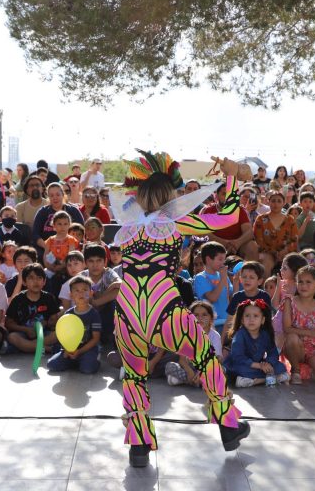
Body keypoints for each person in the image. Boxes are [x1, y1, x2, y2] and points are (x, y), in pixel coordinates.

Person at [113, 151, 249, 467]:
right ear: (169, 196)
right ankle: (228, 425)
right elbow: (228, 217)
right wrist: (230, 178)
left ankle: (139, 447)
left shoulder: (127, 228)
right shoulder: (173, 223)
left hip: (127, 311)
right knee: (205, 358)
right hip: (164, 308)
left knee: (134, 376)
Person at [281, 265, 315, 385]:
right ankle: (296, 370)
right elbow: (287, 328)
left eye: (308, 282)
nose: (303, 285)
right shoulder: (289, 301)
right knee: (292, 337)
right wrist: (311, 333)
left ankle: (309, 367)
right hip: (293, 345)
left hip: (314, 347)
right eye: (300, 282)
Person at [224, 299, 289, 387]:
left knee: (280, 367)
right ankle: (270, 379)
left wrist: (268, 363)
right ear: (242, 320)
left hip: (259, 365)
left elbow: (273, 353)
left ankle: (253, 381)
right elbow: (238, 357)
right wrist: (258, 366)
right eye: (247, 316)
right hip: (242, 364)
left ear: (262, 320)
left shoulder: (265, 334)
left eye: (255, 316)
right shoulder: (240, 335)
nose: (251, 319)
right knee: (240, 369)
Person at [47, 275, 102, 373]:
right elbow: (63, 335)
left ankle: (92, 360)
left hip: (87, 350)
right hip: (69, 349)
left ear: (91, 293)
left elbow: (95, 339)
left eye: (85, 290)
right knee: (52, 365)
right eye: (76, 290)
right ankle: (75, 361)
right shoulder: (68, 314)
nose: (81, 293)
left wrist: (79, 351)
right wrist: (66, 350)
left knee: (87, 369)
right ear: (71, 295)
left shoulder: (94, 314)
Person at [5, 263, 62, 353]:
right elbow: (9, 323)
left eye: (39, 278)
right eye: (31, 278)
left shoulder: (49, 297)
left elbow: (54, 319)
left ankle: (29, 346)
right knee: (12, 337)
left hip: (43, 333)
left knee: (59, 334)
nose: (36, 281)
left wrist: (46, 323)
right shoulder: (18, 299)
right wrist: (26, 329)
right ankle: (46, 349)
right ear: (24, 282)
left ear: (44, 282)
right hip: (23, 333)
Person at [165, 300, 223, 386]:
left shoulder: (215, 336)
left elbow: (217, 358)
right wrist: (189, 372)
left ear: (211, 318)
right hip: (191, 368)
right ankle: (197, 381)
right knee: (170, 366)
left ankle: (185, 381)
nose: (200, 318)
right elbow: (182, 360)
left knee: (222, 370)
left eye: (204, 314)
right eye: (196, 315)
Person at [201, 182, 258, 261]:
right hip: (214, 245)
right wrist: (225, 243)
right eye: (224, 194)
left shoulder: (240, 210)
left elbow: (249, 232)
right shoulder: (208, 211)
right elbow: (203, 233)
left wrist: (237, 243)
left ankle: (250, 268)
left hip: (237, 246)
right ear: (216, 196)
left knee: (252, 246)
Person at [30, 181, 85, 257]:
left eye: (58, 194)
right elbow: (35, 234)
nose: (55, 198)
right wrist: (48, 247)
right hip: (47, 249)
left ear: (63, 195)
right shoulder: (43, 212)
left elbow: (82, 231)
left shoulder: (73, 210)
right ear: (48, 197)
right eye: (51, 195)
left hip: (71, 248)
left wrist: (68, 247)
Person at [252, 191, 299, 277]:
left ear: (284, 203)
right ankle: (265, 284)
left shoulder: (290, 220)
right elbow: (258, 240)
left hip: (286, 252)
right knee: (266, 262)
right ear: (268, 202)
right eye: (273, 201)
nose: (276, 204)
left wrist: (285, 250)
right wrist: (273, 252)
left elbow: (294, 239)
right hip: (267, 252)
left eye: (279, 201)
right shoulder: (260, 219)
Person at [193, 241, 234, 331]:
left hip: (227, 322)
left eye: (224, 259)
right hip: (212, 325)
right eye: (220, 259)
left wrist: (237, 281)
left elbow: (229, 297)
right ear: (208, 259)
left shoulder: (223, 275)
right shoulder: (200, 278)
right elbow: (212, 298)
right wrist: (223, 279)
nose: (223, 263)